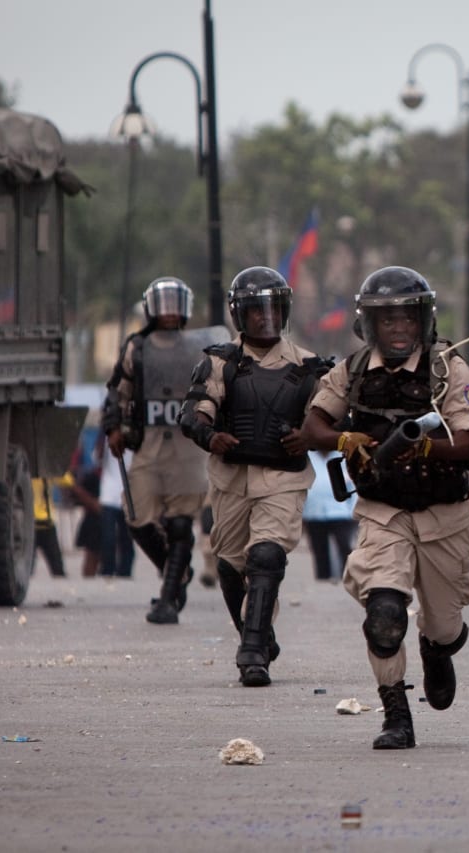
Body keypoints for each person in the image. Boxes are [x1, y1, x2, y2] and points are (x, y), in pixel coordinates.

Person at [301, 266, 469, 750]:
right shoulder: (354, 370)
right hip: (383, 511)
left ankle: (437, 649)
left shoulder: (449, 369)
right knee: (384, 615)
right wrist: (345, 437)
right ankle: (396, 715)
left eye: (407, 318)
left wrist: (427, 449)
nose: (399, 329)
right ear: (370, 325)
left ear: (423, 320)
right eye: (388, 321)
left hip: (445, 512)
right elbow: (313, 426)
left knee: (446, 627)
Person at [180, 266, 332, 687]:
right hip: (231, 479)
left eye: (273, 310)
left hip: (283, 479)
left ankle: (251, 655)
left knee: (266, 556)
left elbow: (332, 423)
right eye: (255, 311)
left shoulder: (309, 367)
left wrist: (312, 436)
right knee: (231, 565)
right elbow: (194, 412)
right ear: (238, 315)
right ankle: (261, 634)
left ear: (284, 312)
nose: (265, 318)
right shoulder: (220, 361)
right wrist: (211, 436)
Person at [103, 277, 221, 624]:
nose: (169, 312)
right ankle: (176, 569)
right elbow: (117, 391)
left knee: (182, 523)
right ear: (152, 308)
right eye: (163, 304)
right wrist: (113, 427)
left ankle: (169, 598)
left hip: (189, 447)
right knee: (137, 517)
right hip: (150, 444)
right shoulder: (136, 347)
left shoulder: (200, 348)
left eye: (175, 304)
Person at [303, 449, 358, 581]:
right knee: (318, 547)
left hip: (341, 512)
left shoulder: (343, 457)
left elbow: (353, 484)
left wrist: (354, 510)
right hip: (313, 512)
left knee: (344, 545)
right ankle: (323, 578)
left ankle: (347, 577)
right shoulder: (307, 457)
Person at [96, 440, 136, 577]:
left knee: (127, 536)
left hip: (129, 492)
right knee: (108, 536)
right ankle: (108, 569)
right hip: (109, 493)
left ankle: (125, 570)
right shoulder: (106, 434)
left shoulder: (133, 433)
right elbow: (98, 457)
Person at [32, 477, 68, 578]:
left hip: (30, 523)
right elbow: (67, 480)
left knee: (27, 567)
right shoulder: (47, 474)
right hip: (46, 521)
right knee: (57, 568)